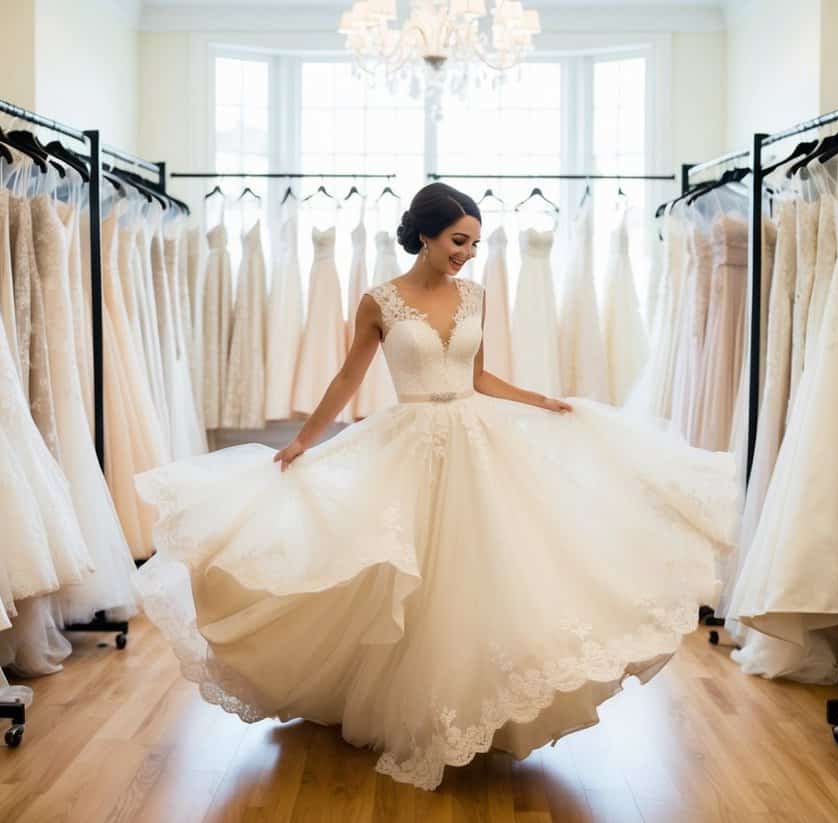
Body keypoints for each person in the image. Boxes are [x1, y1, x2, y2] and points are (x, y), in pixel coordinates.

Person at [132, 182, 740, 791]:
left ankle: (481, 708)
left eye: (475, 243)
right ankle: (404, 704)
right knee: (407, 574)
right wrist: (303, 440)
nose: (468, 253)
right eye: (458, 240)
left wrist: (539, 401)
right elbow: (349, 376)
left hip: (477, 441)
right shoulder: (379, 301)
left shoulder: (475, 295)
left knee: (484, 573)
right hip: (409, 442)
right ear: (425, 234)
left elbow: (478, 375)